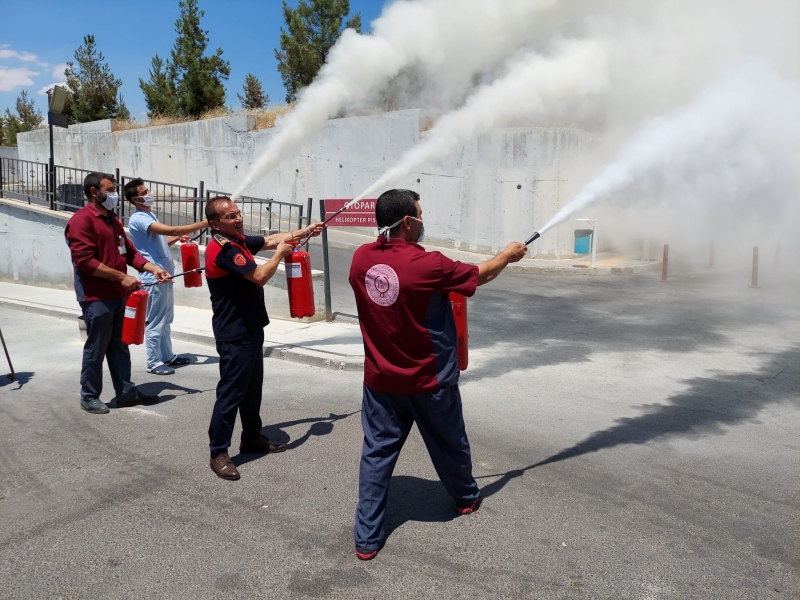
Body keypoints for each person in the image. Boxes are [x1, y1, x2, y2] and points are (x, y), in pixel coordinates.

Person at [348, 189, 528, 560]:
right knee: (450, 444)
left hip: (381, 381)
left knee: (376, 455)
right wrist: (508, 256)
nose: (422, 220)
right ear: (409, 222)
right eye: (420, 213)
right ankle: (465, 497)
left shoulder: (361, 258)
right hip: (429, 381)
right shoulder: (428, 264)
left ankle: (366, 540)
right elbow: (482, 274)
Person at [203, 196, 324, 480]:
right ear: (215, 224)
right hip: (234, 333)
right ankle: (218, 451)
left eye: (238, 214)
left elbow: (270, 239)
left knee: (252, 388)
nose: (238, 219)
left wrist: (306, 231)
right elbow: (259, 275)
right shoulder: (225, 249)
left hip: (251, 328)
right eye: (231, 216)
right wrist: (280, 254)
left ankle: (252, 437)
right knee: (231, 393)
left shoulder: (239, 239)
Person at [65, 172, 170, 414]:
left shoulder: (112, 219)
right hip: (97, 296)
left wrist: (153, 268)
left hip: (120, 294)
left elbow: (129, 252)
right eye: (109, 189)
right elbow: (84, 261)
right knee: (96, 346)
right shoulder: (82, 220)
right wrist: (121, 277)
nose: (114, 194)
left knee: (120, 345)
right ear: (94, 192)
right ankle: (89, 395)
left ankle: (125, 392)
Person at [124, 178, 209, 375]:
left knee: (167, 318)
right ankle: (153, 362)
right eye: (144, 192)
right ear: (135, 199)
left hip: (165, 275)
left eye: (147, 190)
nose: (148, 194)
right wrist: (206, 222)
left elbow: (162, 241)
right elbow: (174, 229)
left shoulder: (149, 215)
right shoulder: (139, 219)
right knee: (156, 321)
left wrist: (176, 239)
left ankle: (167, 356)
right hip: (153, 277)